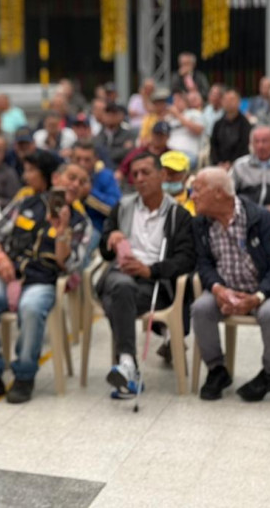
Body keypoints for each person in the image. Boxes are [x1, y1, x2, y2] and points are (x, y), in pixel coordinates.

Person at [0, 162, 91, 405]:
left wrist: (62, 230)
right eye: (71, 177)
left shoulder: (80, 222)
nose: (75, 184)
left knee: (32, 308)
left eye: (82, 181)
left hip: (42, 280)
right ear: (56, 178)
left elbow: (68, 262)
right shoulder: (25, 204)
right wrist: (1, 257)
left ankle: (24, 375)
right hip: (8, 273)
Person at [190, 167, 270, 402]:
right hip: (226, 288)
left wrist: (257, 297)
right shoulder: (201, 224)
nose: (192, 196)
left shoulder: (262, 219)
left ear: (219, 193)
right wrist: (219, 290)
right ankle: (217, 370)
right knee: (200, 308)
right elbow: (204, 264)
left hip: (268, 291)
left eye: (197, 190)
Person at [97, 152, 195, 397]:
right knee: (120, 285)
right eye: (135, 174)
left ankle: (127, 366)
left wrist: (149, 270)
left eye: (146, 173)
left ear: (162, 175)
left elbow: (185, 260)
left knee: (118, 299)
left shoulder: (178, 215)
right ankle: (129, 364)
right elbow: (105, 251)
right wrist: (110, 239)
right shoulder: (122, 207)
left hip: (154, 284)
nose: (140, 179)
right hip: (119, 274)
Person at [72, 140, 121, 240]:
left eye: (87, 160)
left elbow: (116, 209)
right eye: (78, 159)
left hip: (96, 229)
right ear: (71, 159)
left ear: (96, 160)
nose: (82, 164)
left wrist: (90, 193)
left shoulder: (105, 176)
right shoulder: (65, 176)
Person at [210, 89, 252, 168]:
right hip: (219, 165)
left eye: (232, 99)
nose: (228, 102)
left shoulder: (245, 124)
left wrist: (231, 163)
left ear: (239, 102)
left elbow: (243, 146)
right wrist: (218, 163)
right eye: (226, 99)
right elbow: (213, 146)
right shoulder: (217, 124)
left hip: (240, 165)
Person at [166, 90, 205, 168]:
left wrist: (178, 115)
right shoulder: (169, 118)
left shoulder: (194, 113)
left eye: (178, 100)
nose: (175, 103)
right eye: (174, 100)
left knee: (172, 166)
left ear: (185, 101)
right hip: (169, 152)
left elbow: (198, 130)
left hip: (188, 153)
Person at [94, 102, 135, 172]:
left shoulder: (128, 134)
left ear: (120, 116)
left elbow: (130, 154)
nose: (111, 116)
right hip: (101, 171)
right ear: (103, 116)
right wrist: (123, 150)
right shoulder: (97, 136)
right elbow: (97, 154)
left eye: (114, 113)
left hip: (122, 172)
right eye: (108, 113)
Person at [161, 150, 196, 215]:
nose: (168, 178)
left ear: (186, 177)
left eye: (173, 173)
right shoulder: (150, 202)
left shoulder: (196, 203)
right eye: (164, 173)